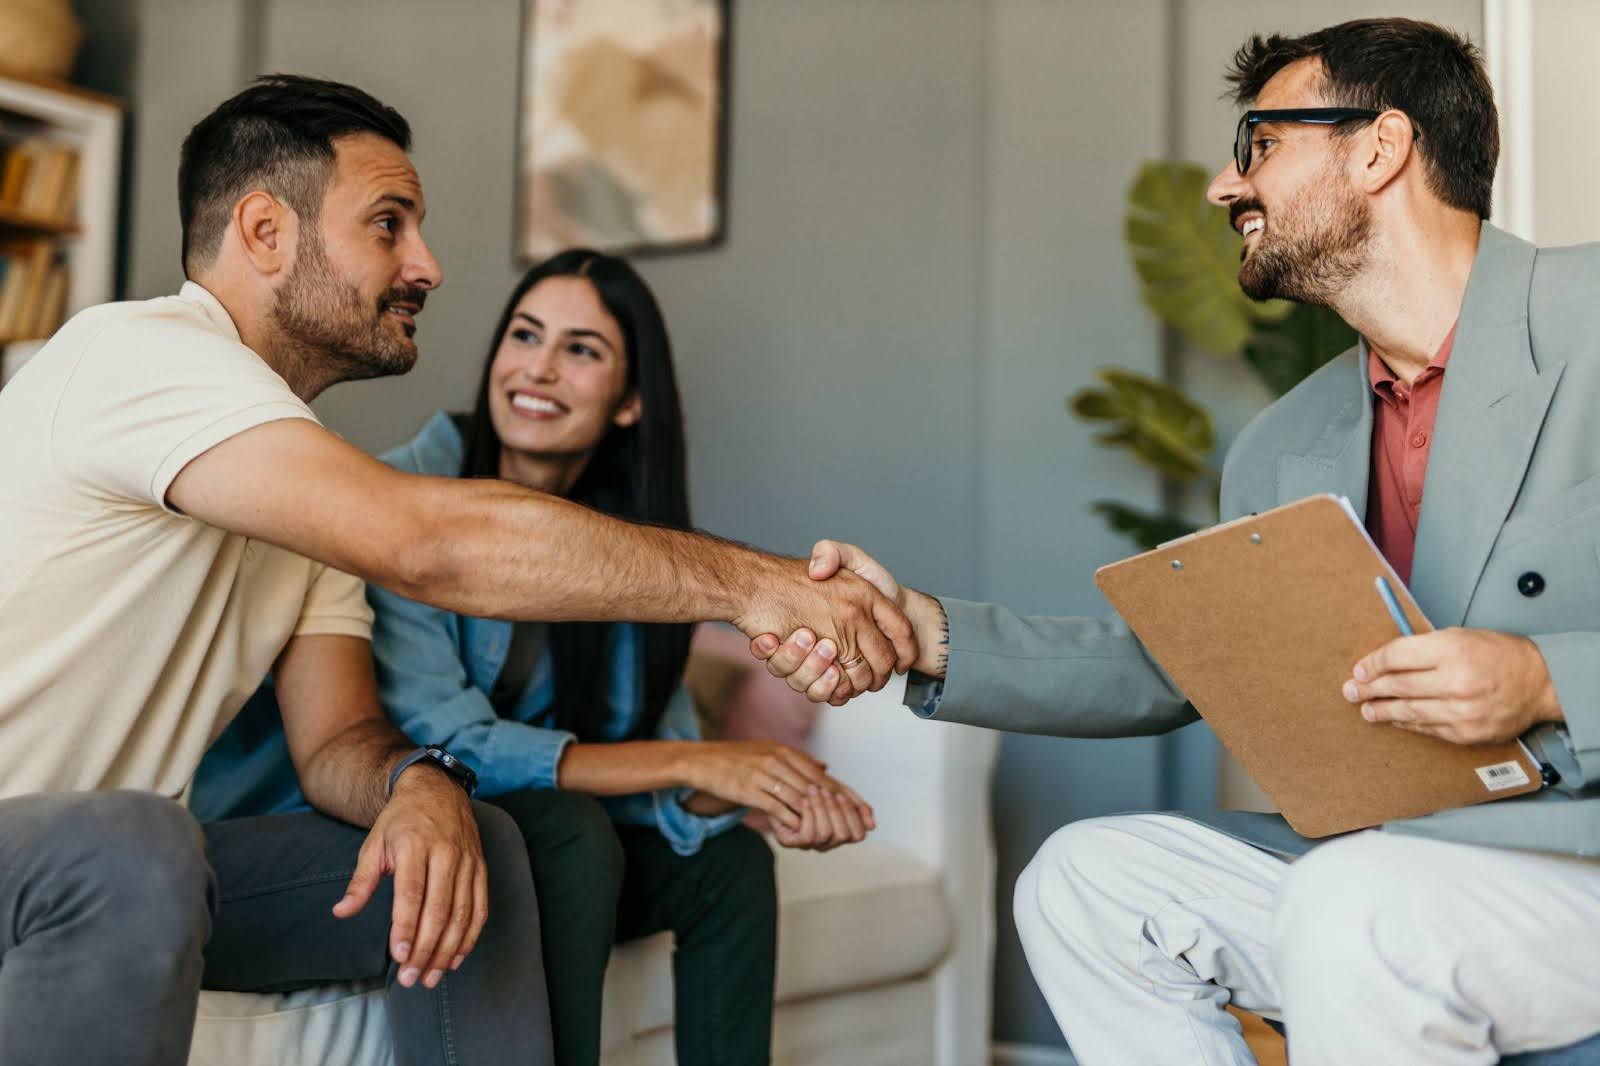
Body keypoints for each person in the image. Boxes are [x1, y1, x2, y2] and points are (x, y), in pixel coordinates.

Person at [0, 74, 913, 1066]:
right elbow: (429, 544)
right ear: (264, 232)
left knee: (485, 845)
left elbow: (339, 734)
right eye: (388, 225)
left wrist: (416, 782)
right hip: (59, 853)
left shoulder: (299, 478)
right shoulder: (136, 354)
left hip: (128, 873)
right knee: (140, 841)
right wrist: (755, 584)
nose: (428, 265)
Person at [758, 18, 1600, 1066]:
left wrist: (1543, 677)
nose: (1224, 185)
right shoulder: (1281, 441)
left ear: (1378, 148)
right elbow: (1174, 669)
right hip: (1402, 862)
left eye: (1260, 142)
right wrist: (923, 632)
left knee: (1356, 901)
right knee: (1083, 882)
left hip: (1573, 855)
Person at [196, 248, 877, 1066]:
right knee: (569, 832)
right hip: (371, 817)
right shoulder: (405, 502)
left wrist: (760, 790)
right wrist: (703, 758)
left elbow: (644, 758)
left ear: (629, 402)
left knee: (727, 862)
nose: (539, 368)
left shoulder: (634, 548)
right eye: (524, 335)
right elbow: (452, 742)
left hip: (526, 830)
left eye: (581, 350)